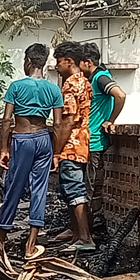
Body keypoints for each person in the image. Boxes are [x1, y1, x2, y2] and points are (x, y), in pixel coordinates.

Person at [0, 44, 64, 259]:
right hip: (44, 139)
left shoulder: (16, 87)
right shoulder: (53, 89)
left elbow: (7, 120)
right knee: (39, 190)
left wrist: (4, 148)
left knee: (14, 187)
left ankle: (0, 237)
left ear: (28, 61)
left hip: (22, 139)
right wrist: (56, 153)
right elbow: (59, 124)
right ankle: (31, 244)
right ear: (44, 63)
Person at [77, 41, 126, 235]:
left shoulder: (100, 78)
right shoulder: (92, 79)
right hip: (87, 141)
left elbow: (120, 95)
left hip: (94, 141)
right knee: (86, 187)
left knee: (88, 189)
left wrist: (110, 120)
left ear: (88, 62)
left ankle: (87, 233)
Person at [53, 41, 95, 252]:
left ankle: (85, 238)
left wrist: (57, 151)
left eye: (58, 62)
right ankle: (77, 234)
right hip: (83, 142)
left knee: (74, 190)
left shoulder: (70, 84)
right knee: (72, 190)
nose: (56, 66)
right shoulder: (85, 82)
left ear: (69, 61)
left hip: (71, 145)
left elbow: (68, 120)